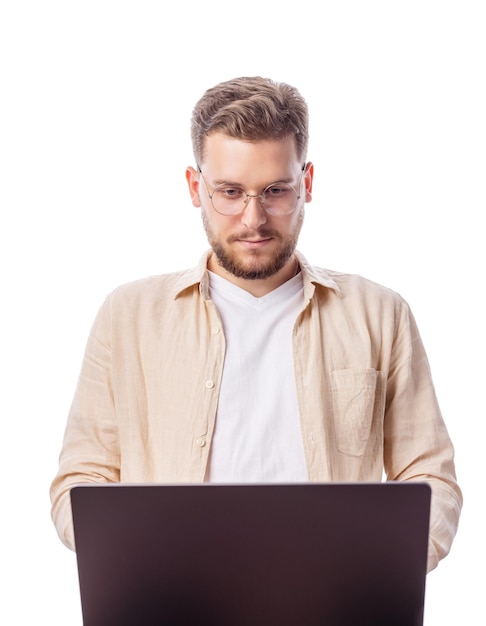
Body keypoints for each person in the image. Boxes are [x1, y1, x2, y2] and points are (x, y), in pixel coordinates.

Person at [50, 75, 462, 572]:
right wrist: (150, 558)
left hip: (333, 607)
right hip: (175, 607)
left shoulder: (380, 315)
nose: (253, 219)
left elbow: (431, 477)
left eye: (275, 191)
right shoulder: (128, 317)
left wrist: (374, 567)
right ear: (194, 187)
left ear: (306, 184)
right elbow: (79, 483)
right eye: (229, 191)